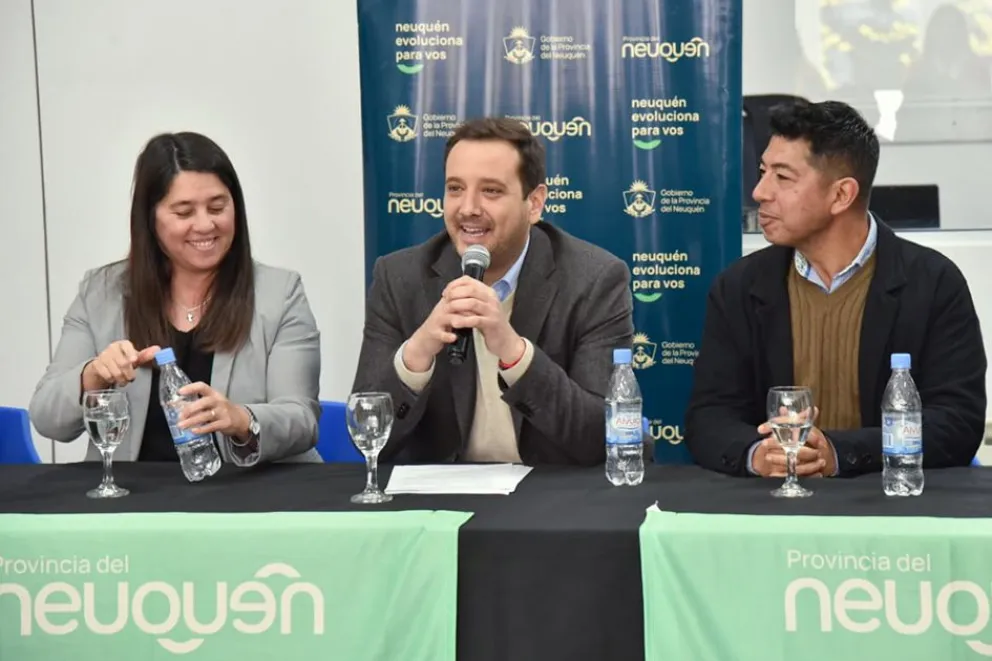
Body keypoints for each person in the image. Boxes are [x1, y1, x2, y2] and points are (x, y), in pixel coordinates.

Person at [686, 100, 986, 477]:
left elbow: (957, 423)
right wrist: (756, 455)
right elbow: (709, 416)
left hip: (891, 504)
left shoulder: (934, 283)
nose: (760, 192)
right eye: (763, 172)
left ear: (842, 195)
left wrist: (838, 454)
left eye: (782, 177)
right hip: (770, 508)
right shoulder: (739, 287)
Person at [352, 117, 634, 466]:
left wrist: (515, 353)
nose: (468, 208)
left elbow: (602, 438)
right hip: (440, 502)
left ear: (534, 203)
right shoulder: (399, 278)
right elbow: (364, 434)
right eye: (455, 188)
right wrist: (418, 352)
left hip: (552, 500)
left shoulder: (594, 279)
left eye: (491, 191)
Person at [30, 132, 322, 465]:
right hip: (134, 504)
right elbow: (46, 418)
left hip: (251, 500)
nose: (205, 225)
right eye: (184, 213)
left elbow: (303, 420)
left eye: (217, 207)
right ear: (150, 220)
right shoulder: (101, 293)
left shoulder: (279, 293)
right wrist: (93, 375)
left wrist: (241, 419)